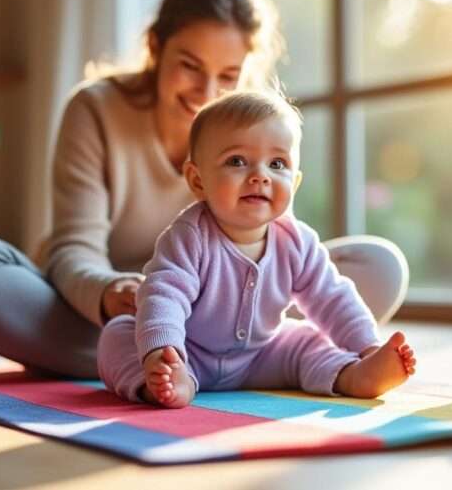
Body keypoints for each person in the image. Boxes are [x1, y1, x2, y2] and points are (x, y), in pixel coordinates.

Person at [0, 0, 409, 379]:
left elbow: (282, 245)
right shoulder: (95, 110)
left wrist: (357, 338)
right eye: (190, 67)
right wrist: (110, 290)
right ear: (156, 48)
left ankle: (186, 361)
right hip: (107, 311)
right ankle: (143, 355)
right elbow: (73, 249)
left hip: (218, 321)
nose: (206, 93)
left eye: (227, 75)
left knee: (379, 266)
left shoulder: (255, 135)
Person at [99, 91, 416, 407]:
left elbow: (333, 298)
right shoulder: (189, 235)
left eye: (277, 164)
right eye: (237, 161)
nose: (260, 177)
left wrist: (368, 346)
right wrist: (164, 351)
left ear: (294, 182)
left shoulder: (296, 241)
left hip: (264, 355)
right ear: (197, 181)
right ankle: (163, 381)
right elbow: (164, 295)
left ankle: (355, 375)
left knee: (308, 340)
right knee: (119, 336)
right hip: (190, 352)